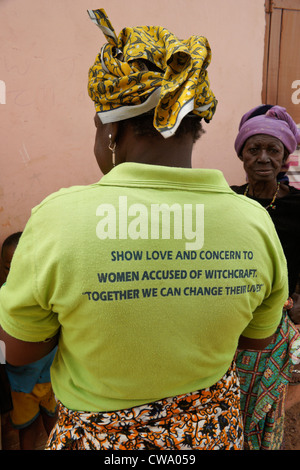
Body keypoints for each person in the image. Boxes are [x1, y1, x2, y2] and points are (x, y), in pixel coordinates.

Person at [0, 9, 289, 450]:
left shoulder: (58, 219)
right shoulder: (254, 222)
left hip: (103, 440)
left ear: (110, 130)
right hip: (212, 435)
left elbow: (20, 351)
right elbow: (256, 339)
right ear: (196, 127)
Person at [231, 104, 300, 450]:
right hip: (228, 324)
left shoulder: (299, 206)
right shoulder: (226, 200)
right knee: (228, 405)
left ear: (285, 156)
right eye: (253, 149)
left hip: (275, 324)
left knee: (263, 409)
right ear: (241, 154)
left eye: (272, 150)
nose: (262, 158)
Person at [0, 232, 57, 450]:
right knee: (27, 428)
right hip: (20, 385)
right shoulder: (3, 300)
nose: (15, 275)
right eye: (8, 268)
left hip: (50, 377)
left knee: (53, 422)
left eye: (22, 267)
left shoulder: (47, 294)